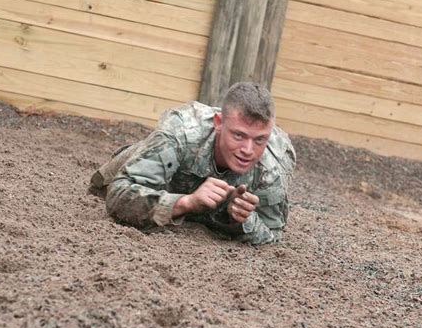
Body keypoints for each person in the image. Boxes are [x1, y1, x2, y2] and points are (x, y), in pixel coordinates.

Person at [89, 82, 296, 245]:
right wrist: (187, 202)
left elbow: (273, 236)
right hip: (158, 177)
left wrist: (240, 218)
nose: (248, 150)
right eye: (238, 135)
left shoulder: (272, 167)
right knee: (102, 188)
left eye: (259, 139)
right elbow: (118, 196)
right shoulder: (180, 135)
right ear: (218, 123)